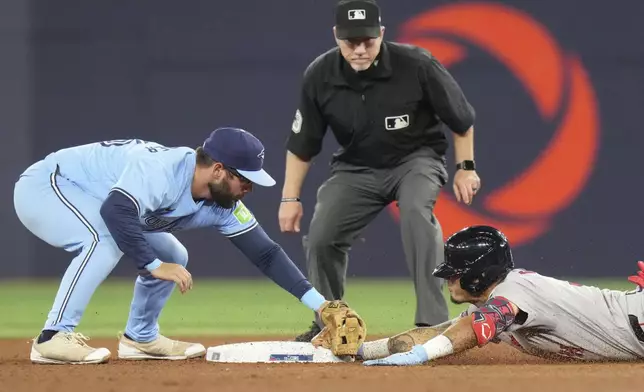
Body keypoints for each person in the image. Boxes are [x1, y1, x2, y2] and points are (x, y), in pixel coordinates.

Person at [14, 127, 357, 365]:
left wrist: (321, 305)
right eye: (245, 179)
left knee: (174, 254)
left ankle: (140, 338)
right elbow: (115, 211)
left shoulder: (222, 205)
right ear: (219, 170)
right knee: (102, 240)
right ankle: (52, 337)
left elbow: (265, 253)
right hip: (49, 186)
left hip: (100, 200)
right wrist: (152, 266)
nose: (249, 189)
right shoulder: (163, 170)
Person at [278, 0, 481, 341]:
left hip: (416, 159)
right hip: (356, 167)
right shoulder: (320, 74)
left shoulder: (416, 64)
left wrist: (466, 168)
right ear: (335, 37)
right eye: (350, 42)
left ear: (382, 34)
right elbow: (302, 145)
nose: (359, 49)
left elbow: (461, 121)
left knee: (416, 212)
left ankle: (432, 323)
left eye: (367, 41)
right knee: (323, 234)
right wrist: (289, 197)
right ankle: (329, 322)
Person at [355, 225, 644, 366]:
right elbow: (436, 334)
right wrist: (359, 352)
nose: (449, 280)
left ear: (477, 273)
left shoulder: (513, 292)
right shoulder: (494, 302)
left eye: (454, 273)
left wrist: (419, 357)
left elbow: (474, 328)